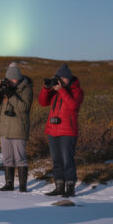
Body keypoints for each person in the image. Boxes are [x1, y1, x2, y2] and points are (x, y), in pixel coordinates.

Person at [38, 63, 84, 198]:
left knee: (67, 160)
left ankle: (70, 188)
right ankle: (59, 187)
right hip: (53, 130)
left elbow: (73, 106)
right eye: (60, 78)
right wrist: (47, 88)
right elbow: (42, 102)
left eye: (64, 78)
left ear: (69, 79)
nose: (62, 80)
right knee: (56, 160)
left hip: (68, 131)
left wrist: (61, 90)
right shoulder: (55, 91)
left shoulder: (77, 91)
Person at [0, 62, 33, 192]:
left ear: (19, 78)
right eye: (10, 80)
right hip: (5, 127)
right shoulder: (7, 86)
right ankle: (9, 184)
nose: (12, 82)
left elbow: (24, 108)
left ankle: (22, 186)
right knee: (7, 157)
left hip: (19, 127)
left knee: (20, 157)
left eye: (14, 79)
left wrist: (10, 94)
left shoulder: (27, 88)